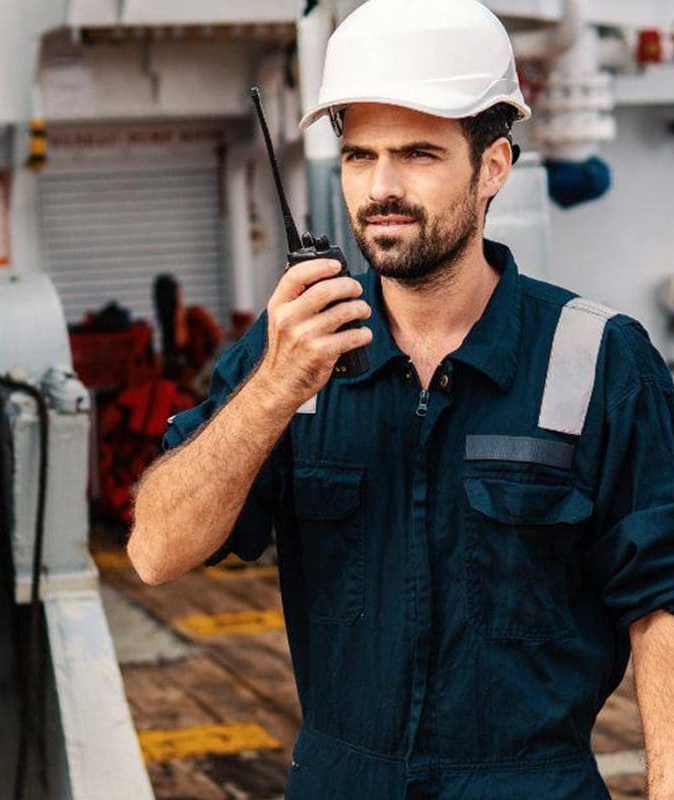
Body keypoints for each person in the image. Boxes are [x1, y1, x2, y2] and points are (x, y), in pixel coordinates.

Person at [129, 1, 674, 797]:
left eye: (418, 154)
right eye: (359, 156)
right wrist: (276, 386)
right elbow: (153, 553)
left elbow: (661, 604)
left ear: (492, 168)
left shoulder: (598, 359)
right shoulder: (288, 352)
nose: (382, 188)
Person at [152, 273, 224, 399]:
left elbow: (220, 347)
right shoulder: (164, 331)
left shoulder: (196, 316)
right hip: (188, 394)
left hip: (208, 386)